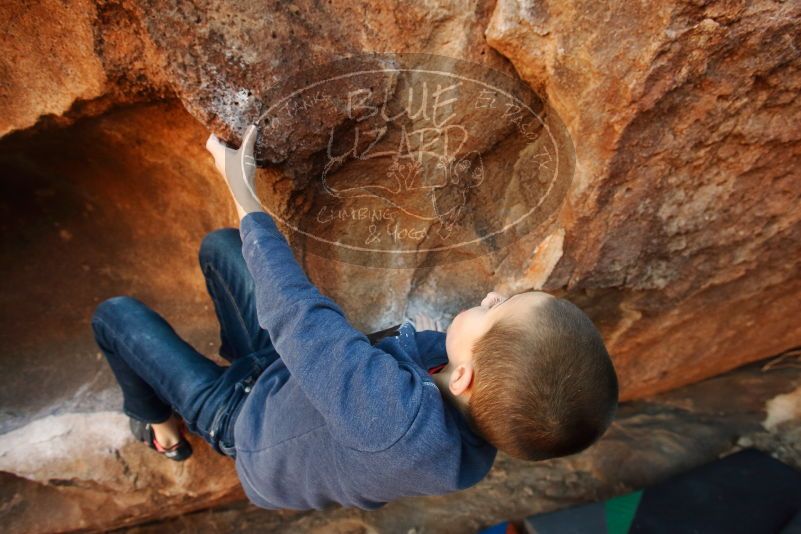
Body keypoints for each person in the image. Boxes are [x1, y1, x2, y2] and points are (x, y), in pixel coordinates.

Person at [90, 124, 619, 510]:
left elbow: (299, 317)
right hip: (284, 377)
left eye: (496, 310)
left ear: (464, 378)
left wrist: (245, 195)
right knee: (222, 247)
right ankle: (237, 356)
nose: (491, 297)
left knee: (115, 317)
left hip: (245, 424)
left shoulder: (395, 424)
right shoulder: (478, 403)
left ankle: (164, 428)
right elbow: (316, 345)